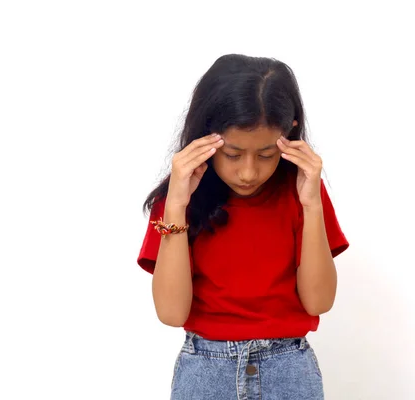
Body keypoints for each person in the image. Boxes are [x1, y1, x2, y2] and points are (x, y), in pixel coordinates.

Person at [137, 53, 349, 400]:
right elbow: (172, 313)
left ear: (289, 133)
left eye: (266, 154)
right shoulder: (178, 195)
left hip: (289, 371)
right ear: (207, 137)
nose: (249, 172)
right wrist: (176, 206)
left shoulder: (302, 190)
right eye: (233, 154)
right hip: (205, 372)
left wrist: (311, 206)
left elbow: (318, 301)